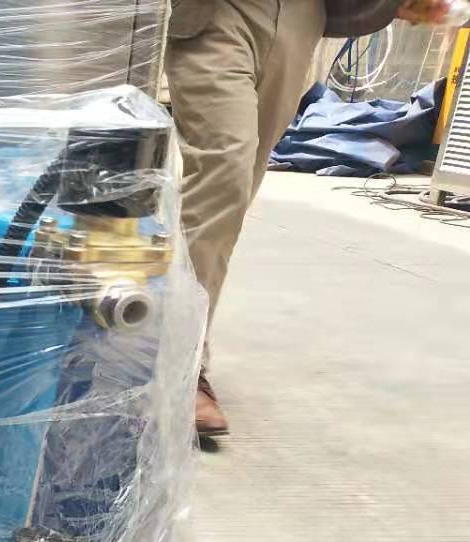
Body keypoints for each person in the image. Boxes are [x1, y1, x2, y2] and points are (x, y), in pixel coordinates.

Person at [165, 0, 455, 437]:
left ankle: (155, 329)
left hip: (300, 18)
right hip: (217, 12)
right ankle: (179, 366)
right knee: (224, 172)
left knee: (235, 192)